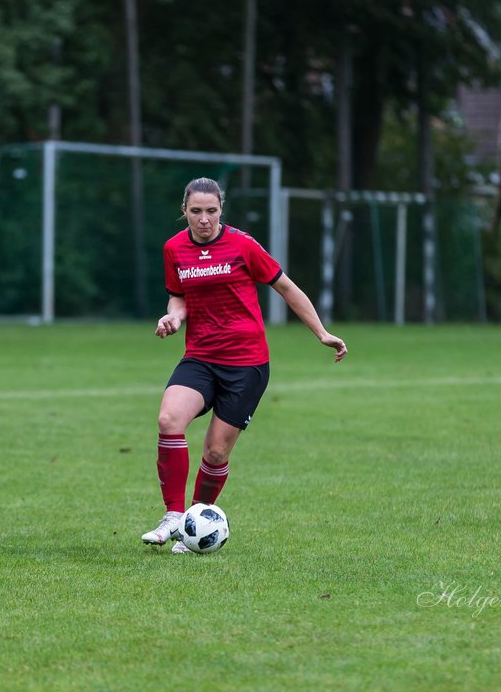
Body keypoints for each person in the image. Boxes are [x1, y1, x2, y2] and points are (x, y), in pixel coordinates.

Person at [142, 177, 348, 553]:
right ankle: (173, 515)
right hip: (200, 357)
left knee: (216, 453)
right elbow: (178, 297)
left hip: (246, 365)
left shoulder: (243, 245)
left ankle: (195, 526)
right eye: (195, 211)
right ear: (184, 211)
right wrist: (172, 317)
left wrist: (321, 333)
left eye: (211, 211)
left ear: (221, 210)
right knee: (169, 420)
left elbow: (287, 287)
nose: (204, 219)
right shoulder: (174, 248)